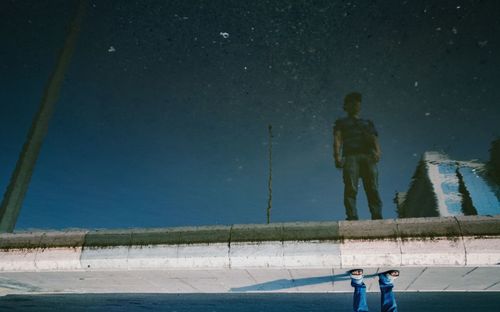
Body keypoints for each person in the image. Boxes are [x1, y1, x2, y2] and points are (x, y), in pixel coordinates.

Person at [333, 92, 383, 220]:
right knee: (351, 187)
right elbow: (338, 139)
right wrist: (337, 156)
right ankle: (352, 216)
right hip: (350, 157)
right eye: (352, 101)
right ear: (346, 106)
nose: (355, 104)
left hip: (368, 156)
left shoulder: (367, 122)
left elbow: (374, 137)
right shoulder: (341, 122)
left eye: (357, 101)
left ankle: (376, 215)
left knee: (372, 187)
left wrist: (378, 151)